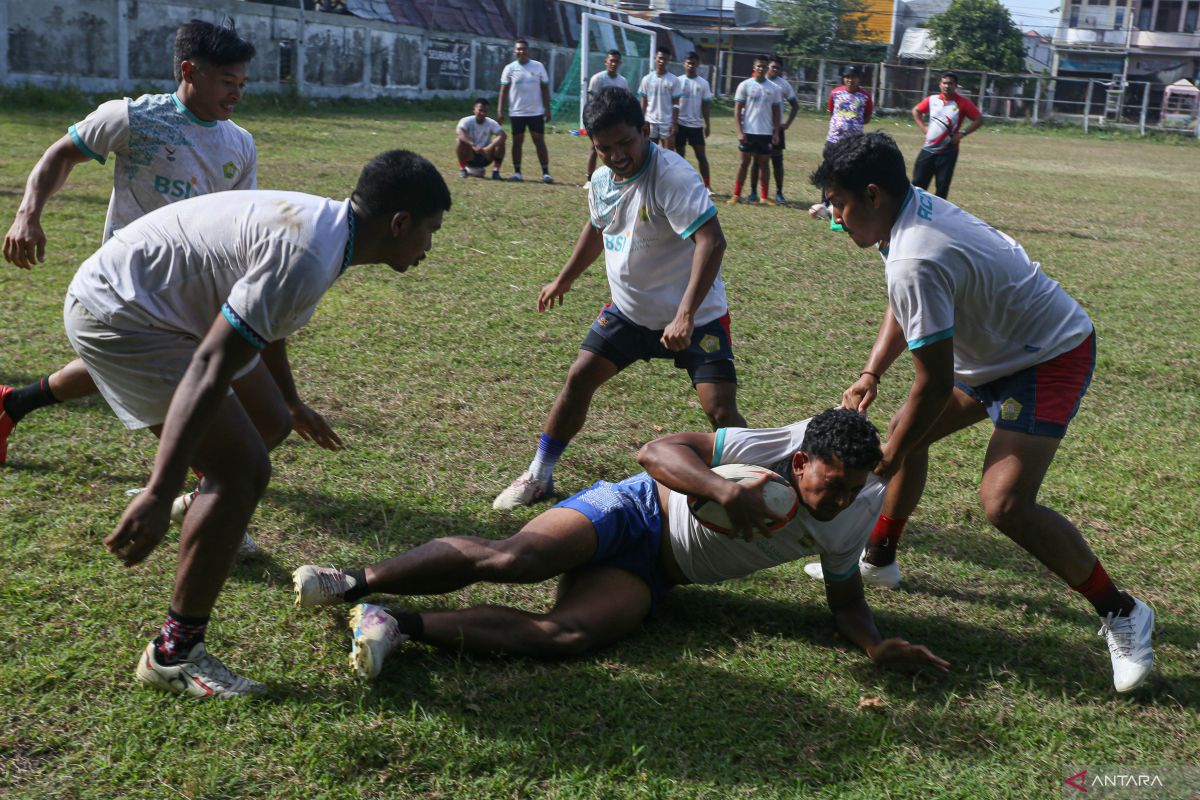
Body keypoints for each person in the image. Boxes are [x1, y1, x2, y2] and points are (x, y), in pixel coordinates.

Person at [69, 150, 451, 697]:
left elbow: (264, 319)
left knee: (268, 421)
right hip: (123, 313)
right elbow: (208, 366)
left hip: (157, 300)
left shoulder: (327, 229)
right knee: (243, 469)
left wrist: (290, 402)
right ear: (399, 224)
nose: (429, 248)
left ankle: (203, 506)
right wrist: (159, 488)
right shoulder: (308, 254)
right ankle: (174, 652)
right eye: (430, 231)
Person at [806, 132, 1154, 693]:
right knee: (904, 430)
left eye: (839, 205)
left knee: (1004, 504)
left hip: (1049, 354)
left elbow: (935, 381)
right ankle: (880, 556)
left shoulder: (915, 252)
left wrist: (887, 461)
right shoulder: (906, 212)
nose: (835, 219)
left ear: (871, 196)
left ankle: (1123, 612)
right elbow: (910, 307)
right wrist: (872, 371)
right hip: (995, 350)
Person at [293, 408, 949, 680]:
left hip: (657, 574)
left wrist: (872, 643)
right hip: (635, 509)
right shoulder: (768, 448)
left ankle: (391, 623)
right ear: (803, 462)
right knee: (516, 558)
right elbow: (655, 451)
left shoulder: (852, 509)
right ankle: (354, 581)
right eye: (830, 486)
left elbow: (845, 599)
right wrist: (722, 492)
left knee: (567, 638)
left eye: (850, 491)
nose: (837, 501)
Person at [0, 19, 257, 468]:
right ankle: (210, 497)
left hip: (190, 289)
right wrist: (27, 214)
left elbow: (237, 222)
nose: (236, 94)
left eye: (241, 83)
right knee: (193, 405)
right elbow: (62, 153)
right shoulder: (134, 118)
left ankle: (12, 405)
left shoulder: (240, 144)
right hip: (128, 287)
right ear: (189, 71)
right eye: (226, 82)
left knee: (127, 368)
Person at [492, 88, 745, 510]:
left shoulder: (672, 175)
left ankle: (758, 481)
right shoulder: (601, 180)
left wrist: (684, 315)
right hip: (628, 313)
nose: (617, 154)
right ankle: (539, 475)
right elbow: (597, 228)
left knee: (720, 412)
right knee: (579, 378)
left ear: (645, 131)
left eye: (626, 142)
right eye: (604, 147)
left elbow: (712, 241)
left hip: (696, 319)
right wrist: (564, 279)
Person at [809, 65, 873, 220]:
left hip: (854, 143)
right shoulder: (835, 93)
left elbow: (867, 117)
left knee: (850, 173)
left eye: (853, 77)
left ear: (859, 78)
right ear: (843, 78)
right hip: (834, 140)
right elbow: (832, 112)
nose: (850, 80)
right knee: (829, 172)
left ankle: (848, 203)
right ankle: (826, 202)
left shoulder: (865, 97)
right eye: (847, 77)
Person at [910, 71, 983, 200]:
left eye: (950, 83)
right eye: (944, 83)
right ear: (940, 84)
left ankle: (938, 217)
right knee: (918, 183)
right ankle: (914, 212)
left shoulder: (963, 103)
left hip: (948, 151)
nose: (947, 86)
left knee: (942, 187)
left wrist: (962, 133)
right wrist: (924, 128)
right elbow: (916, 110)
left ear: (955, 86)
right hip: (928, 149)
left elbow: (979, 119)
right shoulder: (932, 100)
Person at [497, 38, 553, 184]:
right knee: (517, 142)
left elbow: (545, 88)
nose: (521, 51)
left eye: (524, 49)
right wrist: (500, 110)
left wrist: (548, 109)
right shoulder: (509, 68)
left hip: (536, 112)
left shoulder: (538, 66)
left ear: (528, 51)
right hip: (517, 112)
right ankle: (517, 173)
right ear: (515, 51)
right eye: (518, 49)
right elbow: (503, 91)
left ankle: (546, 173)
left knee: (539, 141)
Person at [728, 56, 781, 206]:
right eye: (759, 66)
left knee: (764, 164)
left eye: (764, 66)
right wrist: (739, 131)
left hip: (765, 133)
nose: (761, 68)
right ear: (754, 67)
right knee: (744, 163)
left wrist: (776, 133)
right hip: (748, 131)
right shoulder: (744, 85)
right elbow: (737, 110)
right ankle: (736, 195)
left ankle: (764, 196)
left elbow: (776, 112)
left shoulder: (774, 89)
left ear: (767, 68)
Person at [748, 56, 799, 205]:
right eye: (772, 67)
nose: (774, 70)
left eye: (778, 68)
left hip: (776, 129)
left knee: (777, 161)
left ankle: (779, 193)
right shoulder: (755, 82)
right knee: (756, 161)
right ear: (766, 67)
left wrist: (787, 123)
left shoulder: (783, 85)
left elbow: (795, 105)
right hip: (758, 129)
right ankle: (753, 192)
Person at [584, 50, 628, 187]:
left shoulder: (623, 81)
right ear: (606, 62)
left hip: (616, 124)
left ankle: (615, 178)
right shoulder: (597, 79)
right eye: (611, 61)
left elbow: (624, 103)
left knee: (616, 150)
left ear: (620, 63)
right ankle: (589, 179)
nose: (613, 63)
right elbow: (591, 102)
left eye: (616, 61)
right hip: (600, 122)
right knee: (595, 149)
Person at [673, 52, 713, 194]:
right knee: (679, 157)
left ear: (698, 65)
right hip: (680, 124)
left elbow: (706, 106)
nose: (691, 66)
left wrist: (707, 124)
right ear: (684, 64)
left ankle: (707, 186)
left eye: (693, 63)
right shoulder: (677, 81)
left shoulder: (703, 83)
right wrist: (674, 123)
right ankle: (680, 185)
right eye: (688, 63)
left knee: (701, 156)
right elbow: (673, 103)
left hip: (696, 125)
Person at [638, 47, 680, 148]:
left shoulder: (673, 80)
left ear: (668, 60)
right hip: (650, 121)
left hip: (667, 122)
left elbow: (676, 104)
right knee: (648, 153)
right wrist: (640, 120)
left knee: (668, 154)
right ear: (655, 58)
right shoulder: (647, 79)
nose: (661, 61)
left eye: (665, 59)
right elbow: (643, 102)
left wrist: (674, 123)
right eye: (660, 58)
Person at [455, 97, 506, 180]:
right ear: (474, 110)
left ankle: (496, 171)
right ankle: (463, 169)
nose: (482, 113)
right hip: (470, 155)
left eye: (485, 111)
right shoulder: (466, 121)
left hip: (486, 155)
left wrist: (489, 147)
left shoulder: (491, 122)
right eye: (480, 110)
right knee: (459, 141)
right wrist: (473, 145)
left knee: (500, 142)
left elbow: (503, 135)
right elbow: (459, 132)